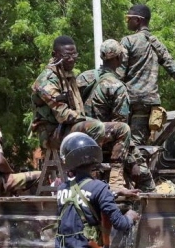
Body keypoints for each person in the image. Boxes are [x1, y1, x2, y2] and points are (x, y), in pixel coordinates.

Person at [31, 36, 132, 189]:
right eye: (67, 56)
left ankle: (116, 182)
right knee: (95, 126)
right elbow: (64, 115)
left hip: (68, 129)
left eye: (74, 55)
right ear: (55, 55)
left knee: (122, 129)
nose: (72, 59)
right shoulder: (46, 80)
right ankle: (90, 179)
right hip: (53, 134)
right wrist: (87, 119)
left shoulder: (68, 75)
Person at [120, 4, 175, 145]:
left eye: (128, 18)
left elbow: (118, 72)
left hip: (128, 100)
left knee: (126, 143)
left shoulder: (128, 41)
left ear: (138, 20)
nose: (127, 21)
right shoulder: (156, 43)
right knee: (139, 142)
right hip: (148, 102)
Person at [79, 39, 156, 192]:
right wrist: (133, 162)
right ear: (119, 58)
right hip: (106, 143)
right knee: (144, 177)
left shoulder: (83, 78)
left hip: (81, 139)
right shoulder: (117, 87)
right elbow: (121, 129)